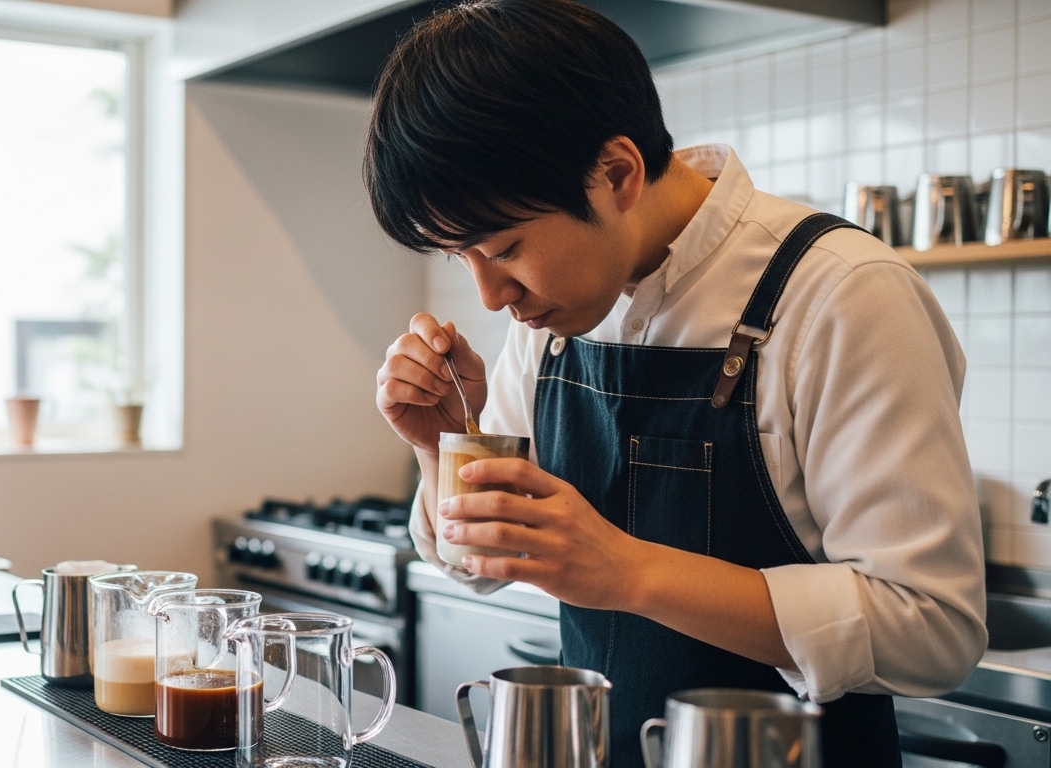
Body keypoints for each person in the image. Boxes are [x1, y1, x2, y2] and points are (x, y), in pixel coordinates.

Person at [365, 2, 986, 765]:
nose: (492, 296)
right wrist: (442, 450)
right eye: (462, 258)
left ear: (617, 173)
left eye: (505, 249)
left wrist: (629, 571)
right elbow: (484, 561)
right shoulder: (556, 311)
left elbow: (932, 628)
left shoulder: (843, 294)